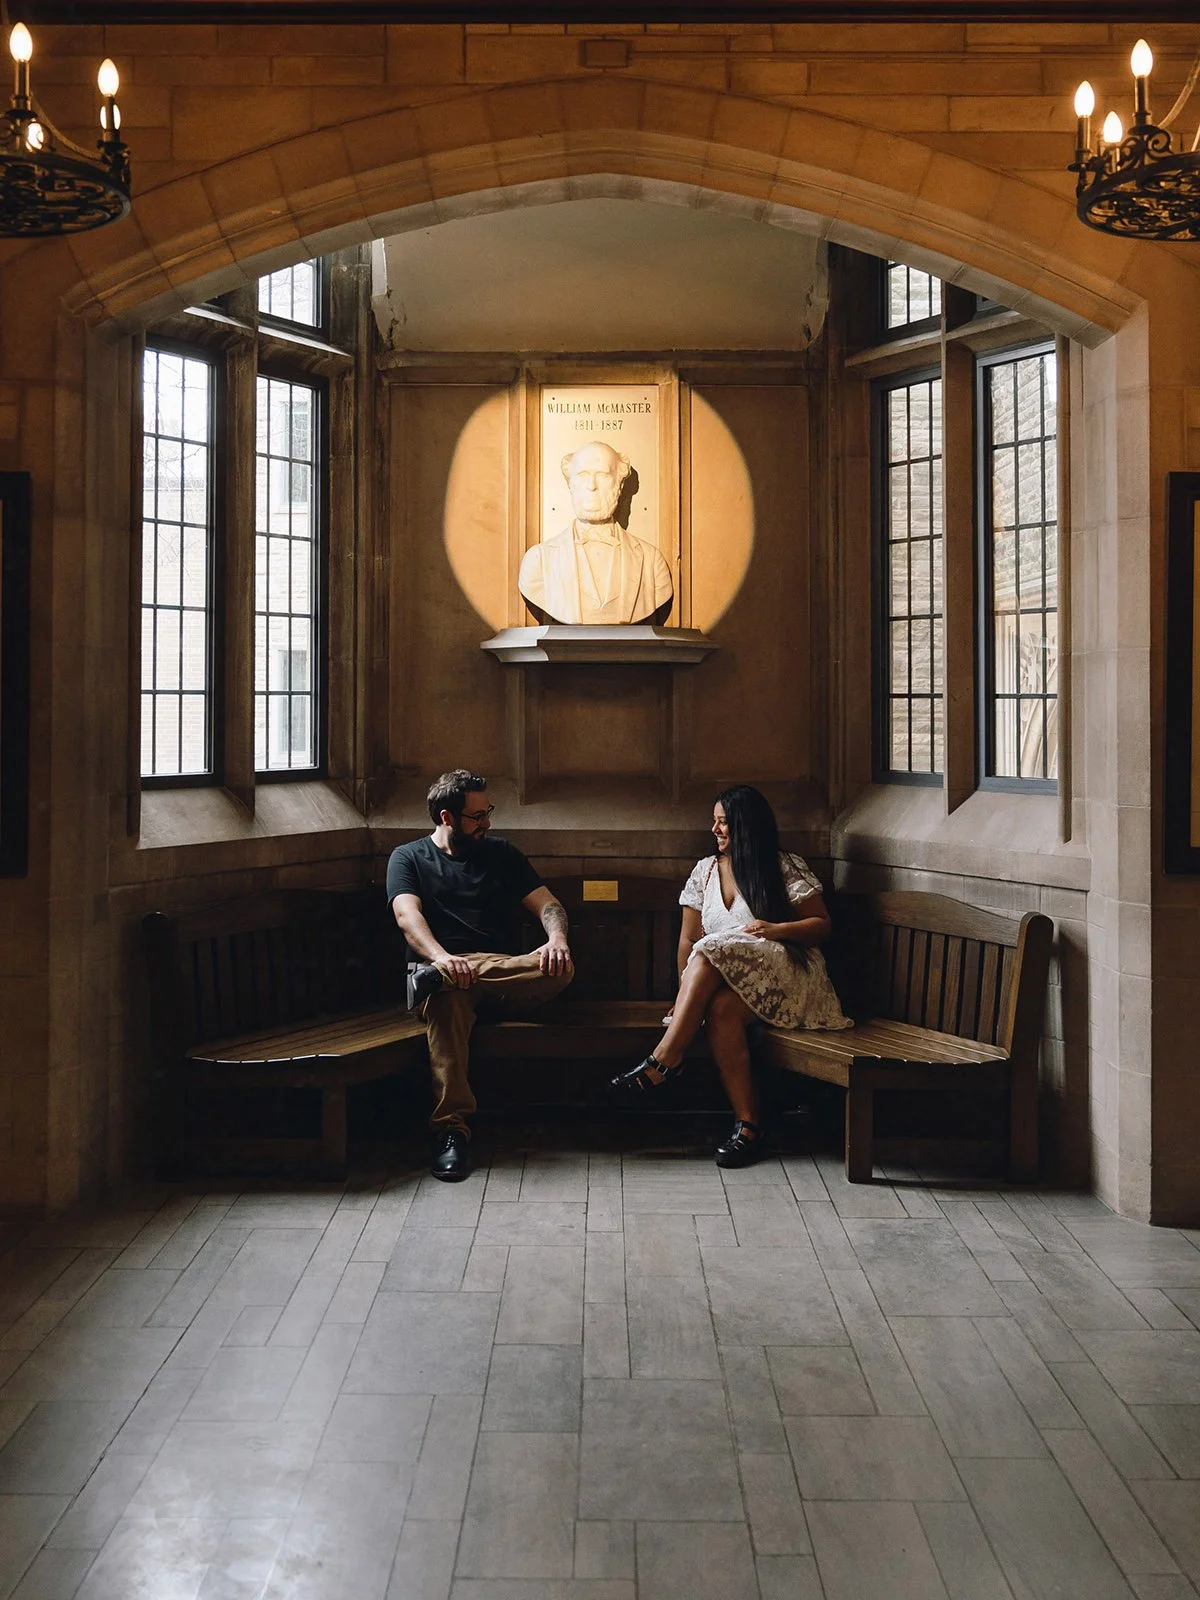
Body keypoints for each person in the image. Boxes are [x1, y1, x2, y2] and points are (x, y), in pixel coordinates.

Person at [610, 785, 851, 1167]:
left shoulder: (781, 865)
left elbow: (821, 925)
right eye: (715, 822)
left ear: (746, 827)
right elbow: (688, 940)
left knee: (708, 951)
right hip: (730, 989)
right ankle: (748, 1126)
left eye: (724, 823)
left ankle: (666, 1059)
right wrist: (684, 999)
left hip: (787, 979)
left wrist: (774, 929)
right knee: (720, 1007)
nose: (715, 830)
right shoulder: (704, 872)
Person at [387, 770, 574, 1181]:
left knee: (561, 968)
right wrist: (443, 960)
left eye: (487, 812)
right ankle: (451, 1132)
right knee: (447, 1002)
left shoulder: (502, 853)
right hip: (445, 973)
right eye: (476, 816)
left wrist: (556, 938)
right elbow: (406, 916)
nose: (487, 823)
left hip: (502, 982)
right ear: (446, 818)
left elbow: (548, 905)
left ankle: (449, 977)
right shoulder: (408, 857)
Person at [517, 438, 673, 625]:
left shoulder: (651, 562)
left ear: (619, 484)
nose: (592, 485)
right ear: (570, 484)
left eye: (603, 475)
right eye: (583, 475)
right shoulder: (538, 562)